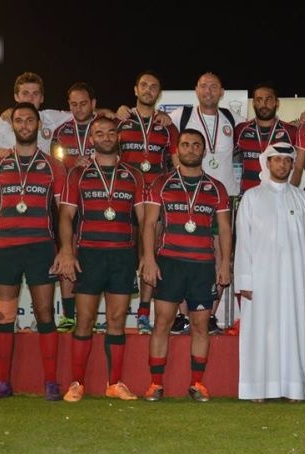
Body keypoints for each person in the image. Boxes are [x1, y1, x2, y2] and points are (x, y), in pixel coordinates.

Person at [0, 102, 66, 401]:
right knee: (5, 316)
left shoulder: (53, 166)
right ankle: (3, 383)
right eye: (19, 121)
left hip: (41, 248)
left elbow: (64, 214)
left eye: (29, 120)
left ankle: (50, 383)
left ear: (38, 125)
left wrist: (64, 250)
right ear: (12, 125)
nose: (24, 125)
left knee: (44, 313)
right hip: (5, 249)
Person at [56, 116, 145, 402]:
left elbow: (145, 220)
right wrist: (67, 251)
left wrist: (146, 255)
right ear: (91, 139)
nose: (105, 137)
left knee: (117, 319)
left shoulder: (134, 175)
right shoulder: (78, 174)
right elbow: (66, 216)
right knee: (84, 319)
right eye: (99, 133)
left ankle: (114, 383)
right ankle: (77, 383)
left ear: (118, 137)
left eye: (110, 132)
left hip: (122, 255)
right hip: (89, 254)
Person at [140, 129, 232, 403]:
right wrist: (149, 259)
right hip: (169, 263)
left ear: (203, 151)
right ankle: (155, 384)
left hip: (202, 266)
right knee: (162, 323)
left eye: (196, 145)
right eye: (185, 145)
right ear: (177, 150)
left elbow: (225, 230)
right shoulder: (161, 183)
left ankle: (197, 384)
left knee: (201, 326)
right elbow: (149, 224)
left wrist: (225, 264)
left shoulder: (217, 188)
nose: (191, 149)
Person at [234, 142, 305, 402]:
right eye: (277, 159)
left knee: (294, 333)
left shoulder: (304, 199)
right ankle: (257, 389)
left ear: (293, 165)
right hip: (260, 280)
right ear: (267, 163)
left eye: (287, 160)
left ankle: (293, 388)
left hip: (295, 281)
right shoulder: (251, 197)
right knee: (259, 333)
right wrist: (245, 279)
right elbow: (243, 241)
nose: (282, 164)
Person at [169, 72, 243, 334]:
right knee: (182, 253)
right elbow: (152, 121)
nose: (208, 91)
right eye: (203, 86)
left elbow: (261, 129)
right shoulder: (181, 115)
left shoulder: (232, 118)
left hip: (223, 196)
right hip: (188, 195)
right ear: (196, 90)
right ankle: (183, 316)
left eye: (214, 87)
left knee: (221, 256)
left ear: (221, 92)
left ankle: (210, 315)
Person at [118, 71, 180, 335]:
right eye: (143, 85)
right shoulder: (120, 121)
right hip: (123, 196)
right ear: (135, 90)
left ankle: (144, 312)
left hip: (155, 197)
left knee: (149, 253)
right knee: (122, 253)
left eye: (154, 87)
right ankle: (117, 313)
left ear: (159, 93)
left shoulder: (167, 126)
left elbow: (178, 165)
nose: (148, 90)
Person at [49, 82, 100, 333]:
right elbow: (55, 167)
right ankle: (69, 316)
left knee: (93, 258)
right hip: (68, 200)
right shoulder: (60, 132)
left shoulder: (104, 127)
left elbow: (117, 157)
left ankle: (89, 316)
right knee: (66, 253)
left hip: (98, 201)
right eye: (73, 104)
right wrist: (73, 166)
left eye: (83, 104)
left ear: (93, 104)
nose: (78, 109)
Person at [0, 72, 71, 168]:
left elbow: (78, 113)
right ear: (16, 96)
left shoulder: (49, 118)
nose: (30, 98)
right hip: (9, 177)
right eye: (25, 93)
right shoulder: (3, 122)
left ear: (42, 98)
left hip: (41, 177)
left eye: (35, 93)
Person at [234, 83, 298, 194]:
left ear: (276, 103)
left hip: (279, 196)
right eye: (259, 100)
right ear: (253, 103)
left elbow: (299, 165)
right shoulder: (241, 130)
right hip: (248, 195)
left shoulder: (291, 131)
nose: (263, 104)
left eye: (268, 100)